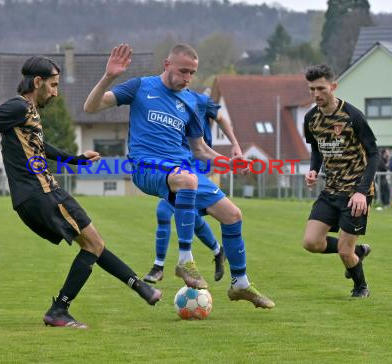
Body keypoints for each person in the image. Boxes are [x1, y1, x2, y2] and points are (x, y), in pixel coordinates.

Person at [0, 56, 161, 328]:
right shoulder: (18, 107)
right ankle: (60, 310)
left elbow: (42, 147)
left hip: (43, 193)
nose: (56, 92)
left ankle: (141, 289)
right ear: (38, 82)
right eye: (53, 85)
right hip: (40, 194)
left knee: (94, 243)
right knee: (93, 244)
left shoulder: (29, 111)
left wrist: (77, 159)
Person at [84, 43, 274, 309]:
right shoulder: (141, 87)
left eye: (192, 73)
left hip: (182, 169)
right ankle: (185, 261)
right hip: (146, 166)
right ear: (167, 65)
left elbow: (199, 149)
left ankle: (240, 284)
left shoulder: (190, 102)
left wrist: (229, 163)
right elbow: (91, 108)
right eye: (183, 71)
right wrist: (109, 77)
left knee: (232, 215)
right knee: (187, 180)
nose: (187, 78)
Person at [143, 90, 242, 284]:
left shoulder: (200, 100)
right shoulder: (162, 102)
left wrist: (235, 145)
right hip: (175, 164)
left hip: (195, 164)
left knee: (165, 210)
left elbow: (221, 118)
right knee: (191, 218)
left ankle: (158, 267)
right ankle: (217, 251)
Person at [302, 64, 379, 298]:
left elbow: (374, 154)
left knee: (345, 252)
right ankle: (358, 251)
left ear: (333, 87)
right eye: (312, 89)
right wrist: (313, 170)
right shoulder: (311, 118)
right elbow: (316, 148)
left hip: (355, 191)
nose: (316, 94)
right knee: (311, 242)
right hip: (331, 190)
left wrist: (361, 192)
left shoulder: (352, 116)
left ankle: (360, 287)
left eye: (321, 89)